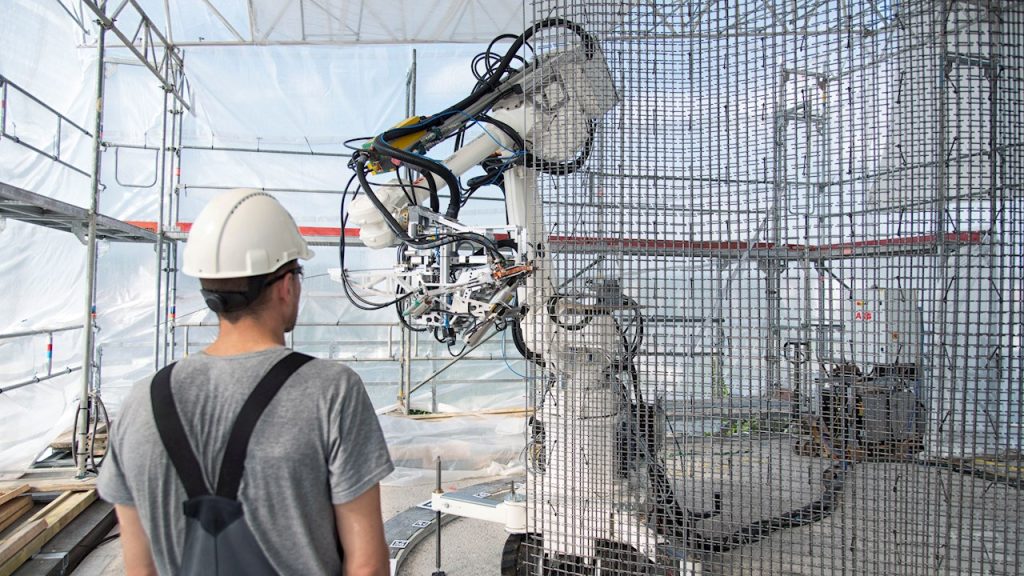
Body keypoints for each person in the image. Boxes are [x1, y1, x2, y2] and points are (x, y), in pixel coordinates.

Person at [97, 188, 393, 576]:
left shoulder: (142, 402)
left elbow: (139, 568)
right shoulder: (331, 391)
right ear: (287, 285)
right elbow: (367, 564)